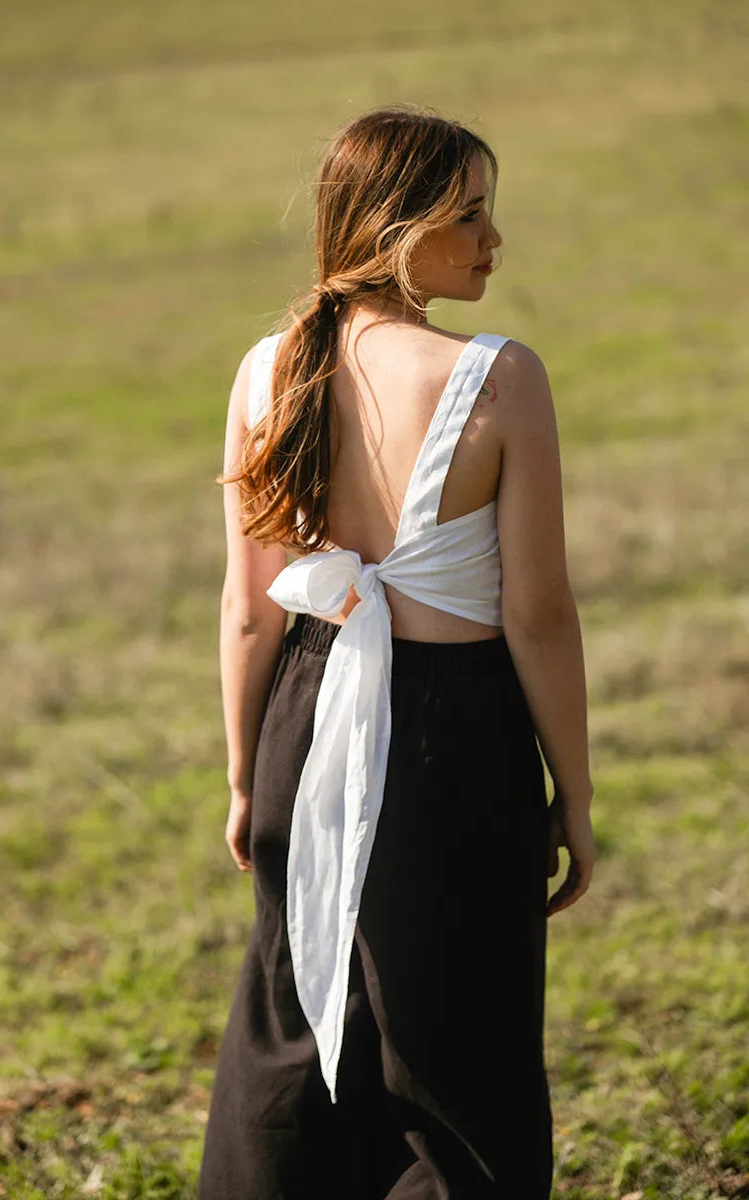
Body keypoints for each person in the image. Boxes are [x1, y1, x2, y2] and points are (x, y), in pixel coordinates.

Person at [197, 105, 595, 1200]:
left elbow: (249, 610)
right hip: (450, 744)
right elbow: (539, 613)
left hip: (300, 716)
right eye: (466, 214)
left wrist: (244, 774)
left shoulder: (261, 371)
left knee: (291, 1025)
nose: (490, 239)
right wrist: (573, 793)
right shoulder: (499, 376)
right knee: (460, 1048)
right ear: (393, 225)